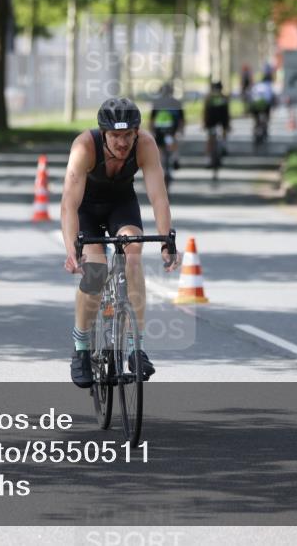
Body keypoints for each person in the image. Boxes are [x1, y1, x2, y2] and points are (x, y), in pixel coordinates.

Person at [61, 98, 181, 388]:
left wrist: (167, 240)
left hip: (120, 204)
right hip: (86, 210)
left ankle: (133, 348)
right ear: (103, 133)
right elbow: (68, 203)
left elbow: (158, 196)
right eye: (115, 136)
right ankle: (81, 347)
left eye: (128, 135)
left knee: (134, 252)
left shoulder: (146, 145)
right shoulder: (84, 147)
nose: (123, 142)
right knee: (96, 272)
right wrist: (71, 250)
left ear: (137, 132)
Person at [149, 83, 185, 171]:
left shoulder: (157, 103)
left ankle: (160, 164)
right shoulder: (176, 103)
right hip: (172, 129)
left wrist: (151, 131)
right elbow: (181, 119)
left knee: (160, 147)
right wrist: (181, 130)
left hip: (159, 129)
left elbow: (152, 119)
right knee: (173, 143)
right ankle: (175, 159)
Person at [203, 81, 231, 166]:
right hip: (221, 120)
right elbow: (227, 112)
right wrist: (228, 124)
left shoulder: (209, 98)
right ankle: (223, 146)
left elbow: (205, 111)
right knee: (223, 133)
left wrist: (204, 122)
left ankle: (207, 159)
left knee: (210, 139)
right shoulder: (224, 97)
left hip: (211, 120)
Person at [249, 67, 277, 140]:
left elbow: (251, 95)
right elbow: (272, 97)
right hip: (265, 105)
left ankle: (256, 127)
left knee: (256, 119)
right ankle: (264, 127)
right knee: (266, 117)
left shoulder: (256, 85)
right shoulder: (269, 86)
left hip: (255, 105)